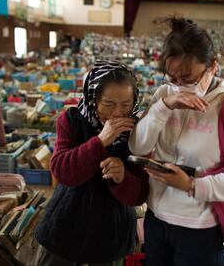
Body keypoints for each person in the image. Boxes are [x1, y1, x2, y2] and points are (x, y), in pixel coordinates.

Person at [129, 17, 224, 266]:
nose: (180, 85)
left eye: (188, 77)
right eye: (173, 77)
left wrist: (193, 185)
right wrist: (164, 106)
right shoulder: (164, 95)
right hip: (157, 221)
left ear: (212, 66)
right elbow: (137, 147)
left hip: (200, 229)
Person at [35, 61, 149, 266]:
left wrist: (122, 177)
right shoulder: (71, 120)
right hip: (68, 220)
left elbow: (140, 193)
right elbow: (61, 172)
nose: (117, 113)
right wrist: (99, 142)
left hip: (112, 230)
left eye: (125, 104)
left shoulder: (139, 130)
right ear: (93, 99)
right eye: (108, 104)